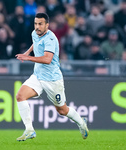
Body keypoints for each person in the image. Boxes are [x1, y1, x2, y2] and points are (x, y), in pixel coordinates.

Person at [15, 13, 89, 142]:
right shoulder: (35, 33)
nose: (37, 27)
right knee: (20, 96)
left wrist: (28, 58)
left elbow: (47, 59)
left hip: (52, 80)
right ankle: (29, 130)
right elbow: (36, 43)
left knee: (62, 110)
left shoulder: (51, 39)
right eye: (36, 24)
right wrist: (27, 52)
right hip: (37, 76)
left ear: (47, 25)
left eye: (40, 24)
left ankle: (81, 122)